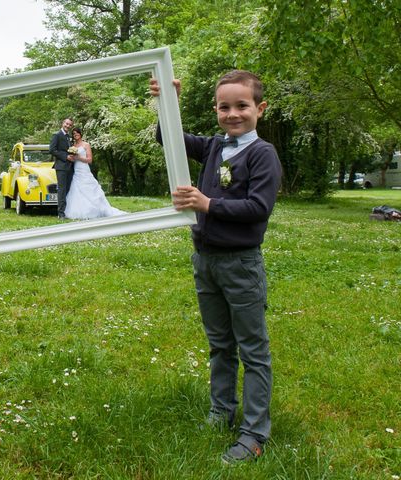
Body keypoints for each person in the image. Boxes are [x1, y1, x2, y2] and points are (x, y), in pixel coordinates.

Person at [150, 70, 281, 464]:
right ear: (216, 109)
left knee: (252, 349)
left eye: (242, 106)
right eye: (225, 106)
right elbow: (166, 138)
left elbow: (258, 208)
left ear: (260, 108)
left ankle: (255, 431)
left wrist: (206, 203)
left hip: (240, 265)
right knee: (220, 344)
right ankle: (221, 411)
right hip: (204, 261)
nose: (233, 113)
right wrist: (165, 103)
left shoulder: (262, 154)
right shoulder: (212, 147)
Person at [64, 127, 126, 219]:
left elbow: (89, 160)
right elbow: (73, 159)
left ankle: (96, 210)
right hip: (76, 170)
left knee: (89, 188)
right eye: (73, 134)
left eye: (77, 133)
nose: (75, 135)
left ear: (80, 134)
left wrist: (78, 158)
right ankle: (79, 210)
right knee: (76, 188)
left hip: (84, 169)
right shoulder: (73, 146)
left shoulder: (86, 145)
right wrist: (72, 158)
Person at [49, 117, 75, 218]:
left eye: (70, 125)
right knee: (62, 189)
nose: (67, 126)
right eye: (66, 124)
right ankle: (61, 213)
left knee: (68, 189)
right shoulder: (57, 135)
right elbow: (52, 150)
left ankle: (67, 210)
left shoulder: (68, 137)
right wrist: (66, 156)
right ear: (63, 123)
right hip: (61, 167)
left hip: (70, 167)